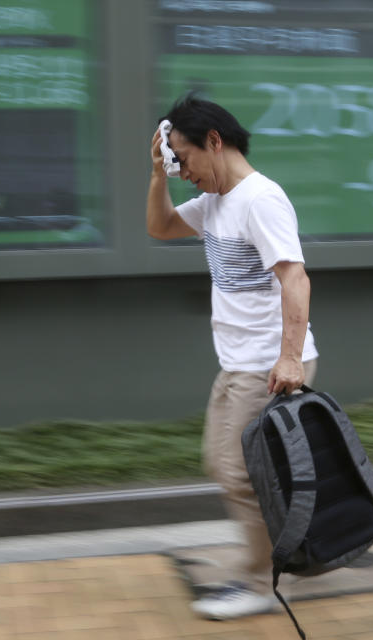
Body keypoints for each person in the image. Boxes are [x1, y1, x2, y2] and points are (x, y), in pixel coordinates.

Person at [146, 95, 319, 620]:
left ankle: (261, 583)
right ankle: (305, 543)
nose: (183, 171)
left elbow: (295, 276)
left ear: (215, 142)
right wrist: (158, 173)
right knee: (224, 467)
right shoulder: (216, 200)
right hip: (239, 362)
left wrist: (289, 359)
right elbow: (161, 228)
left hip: (269, 365)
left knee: (239, 474)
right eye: (173, 160)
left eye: (184, 157)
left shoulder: (258, 199)